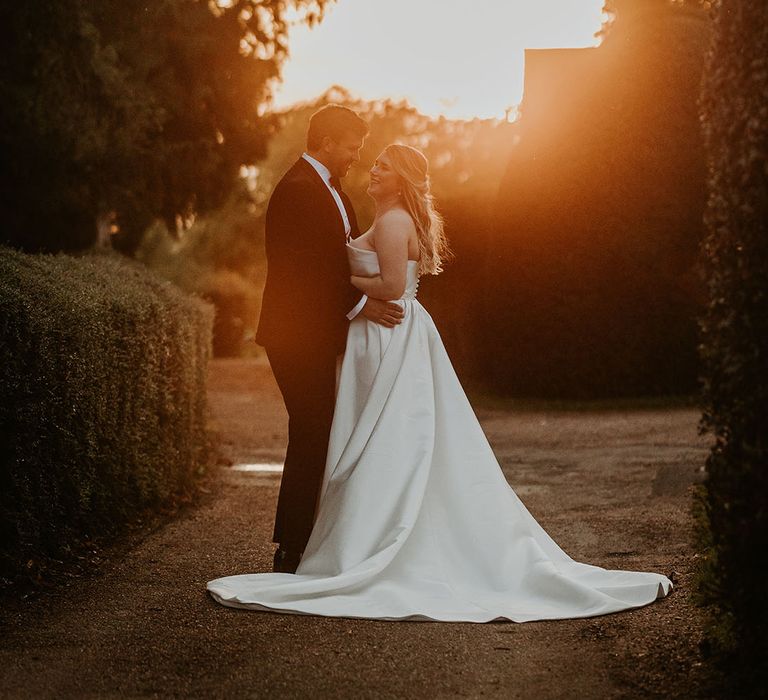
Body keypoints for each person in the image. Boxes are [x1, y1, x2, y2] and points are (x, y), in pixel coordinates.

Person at [208, 144, 673, 622]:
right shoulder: (388, 217)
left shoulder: (393, 223)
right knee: (380, 433)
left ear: (402, 179)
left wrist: (341, 282)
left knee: (385, 434)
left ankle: (375, 537)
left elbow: (390, 288)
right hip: (382, 334)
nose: (374, 171)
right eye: (375, 164)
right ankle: (363, 529)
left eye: (384, 167)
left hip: (386, 333)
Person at [253, 105, 404, 573]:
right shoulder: (299, 190)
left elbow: (341, 258)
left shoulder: (330, 190)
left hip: (320, 333)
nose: (356, 156)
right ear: (327, 142)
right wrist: (364, 305)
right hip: (296, 336)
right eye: (352, 147)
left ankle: (311, 538)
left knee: (321, 430)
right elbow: (309, 270)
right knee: (312, 430)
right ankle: (292, 548)